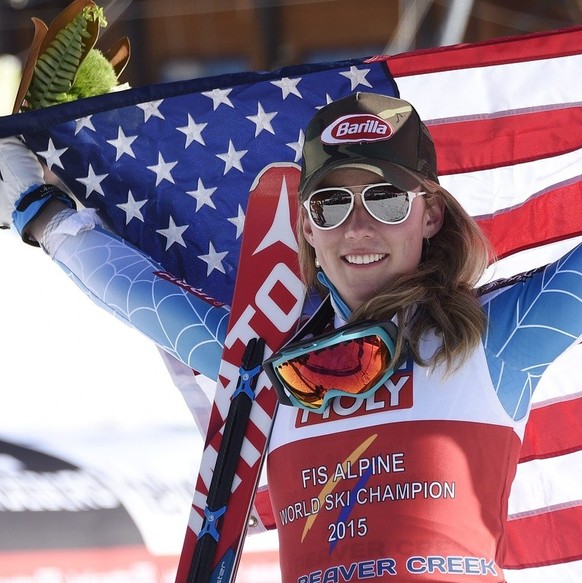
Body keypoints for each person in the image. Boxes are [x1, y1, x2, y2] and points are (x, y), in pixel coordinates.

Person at [2, 92, 582, 582]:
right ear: (305, 225)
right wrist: (41, 212)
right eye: (330, 204)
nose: (357, 226)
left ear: (430, 214)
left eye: (385, 199)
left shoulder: (493, 335)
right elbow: (141, 297)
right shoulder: (265, 357)